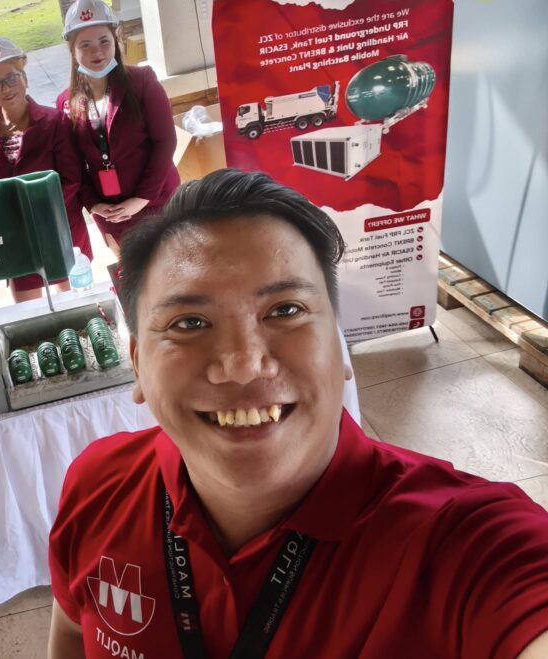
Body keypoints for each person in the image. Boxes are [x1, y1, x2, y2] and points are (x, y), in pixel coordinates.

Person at [48, 169, 548, 658]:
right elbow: (72, 634)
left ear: (339, 345)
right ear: (137, 364)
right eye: (189, 323)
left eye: (286, 310)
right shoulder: (98, 484)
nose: (243, 365)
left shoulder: (467, 543)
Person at [0, 36, 92, 302]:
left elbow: (71, 180)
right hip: (16, 241)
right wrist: (10, 225)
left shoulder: (55, 121)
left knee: (76, 305)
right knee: (29, 315)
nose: (6, 88)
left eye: (11, 78)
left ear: (24, 76)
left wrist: (37, 218)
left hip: (61, 232)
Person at [57, 0, 180, 258]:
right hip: (110, 213)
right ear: (72, 51)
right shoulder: (66, 102)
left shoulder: (142, 81)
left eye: (104, 41)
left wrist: (141, 199)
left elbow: (165, 142)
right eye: (85, 45)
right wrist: (94, 204)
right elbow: (73, 163)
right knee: (130, 274)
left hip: (155, 203)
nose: (97, 52)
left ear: (116, 40)